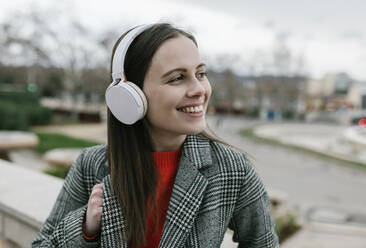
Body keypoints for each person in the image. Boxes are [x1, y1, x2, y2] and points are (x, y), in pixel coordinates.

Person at [32, 23, 279, 248]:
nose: (199, 90)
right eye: (177, 78)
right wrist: (85, 228)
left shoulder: (233, 170)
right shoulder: (91, 165)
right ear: (130, 96)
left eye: (201, 74)